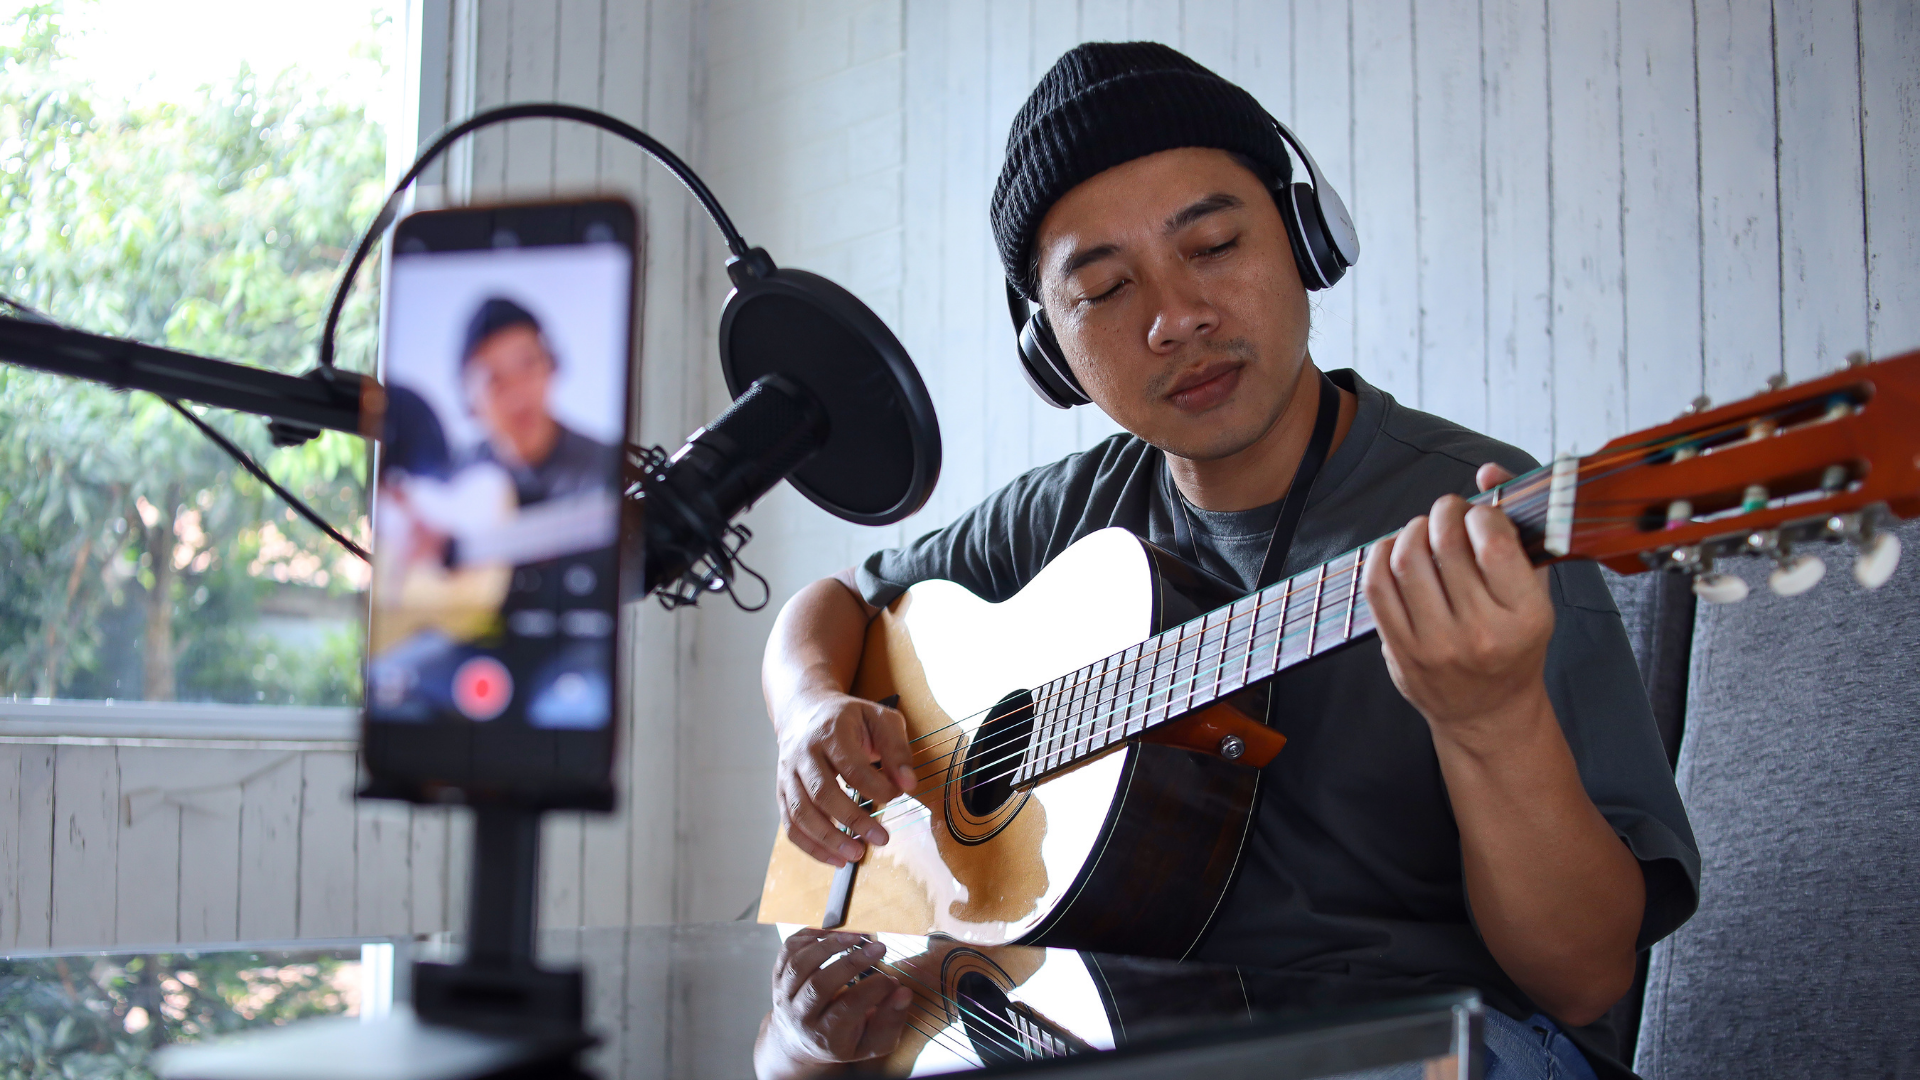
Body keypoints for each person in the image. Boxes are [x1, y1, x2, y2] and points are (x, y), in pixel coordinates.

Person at [756, 43, 1697, 1080]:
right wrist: (808, 712)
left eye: (1211, 244)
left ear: (1305, 242)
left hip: (1437, 1045)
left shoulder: (1479, 519)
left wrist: (1491, 716)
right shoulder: (1069, 518)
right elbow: (839, 600)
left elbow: (1585, 981)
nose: (1176, 319)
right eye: (1105, 290)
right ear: (1049, 353)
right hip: (1108, 1035)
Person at [459, 295, 617, 507]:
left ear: (551, 366)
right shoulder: (455, 482)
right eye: (494, 380)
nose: (516, 397)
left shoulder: (609, 470)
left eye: (527, 365)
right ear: (471, 401)